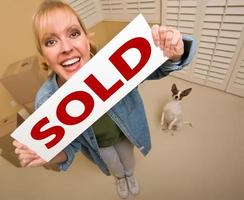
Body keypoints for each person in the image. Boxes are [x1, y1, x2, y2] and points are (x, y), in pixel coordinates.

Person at [13, 0, 196, 198]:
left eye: (73, 33)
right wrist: (48, 154)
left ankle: (129, 175)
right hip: (99, 146)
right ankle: (120, 178)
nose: (66, 48)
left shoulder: (113, 62)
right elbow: (70, 147)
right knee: (113, 164)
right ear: (43, 55)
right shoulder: (47, 100)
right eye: (51, 41)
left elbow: (158, 68)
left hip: (127, 132)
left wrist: (172, 53)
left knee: (128, 159)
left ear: (85, 38)